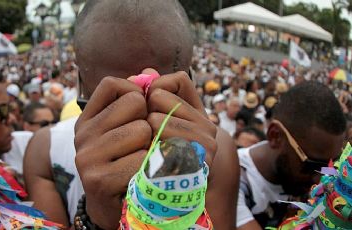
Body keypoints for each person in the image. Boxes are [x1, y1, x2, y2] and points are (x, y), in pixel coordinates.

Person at [23, 1, 239, 229]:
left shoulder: (216, 151)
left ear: (80, 84)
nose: (138, 130)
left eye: (156, 106)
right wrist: (99, 214)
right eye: (114, 102)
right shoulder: (46, 151)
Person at [236, 81, 346, 229]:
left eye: (331, 166)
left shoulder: (306, 183)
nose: (321, 178)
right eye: (313, 166)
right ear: (275, 136)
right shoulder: (232, 178)